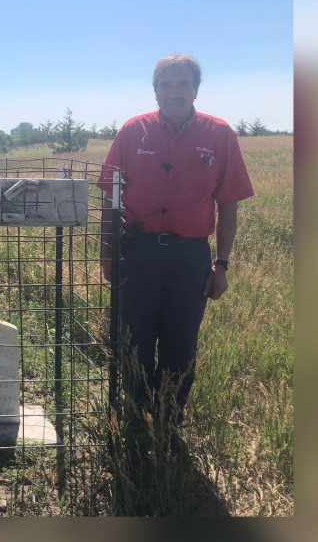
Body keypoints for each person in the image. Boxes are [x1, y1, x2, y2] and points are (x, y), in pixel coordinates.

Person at [99, 54, 254, 426]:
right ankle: (136, 414)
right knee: (134, 338)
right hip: (138, 254)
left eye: (182, 84)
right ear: (154, 91)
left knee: (181, 342)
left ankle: (169, 416)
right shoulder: (132, 132)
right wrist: (106, 252)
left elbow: (228, 204)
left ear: (195, 89)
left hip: (191, 258)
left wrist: (222, 264)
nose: (174, 93)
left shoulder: (219, 135)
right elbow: (110, 198)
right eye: (166, 85)